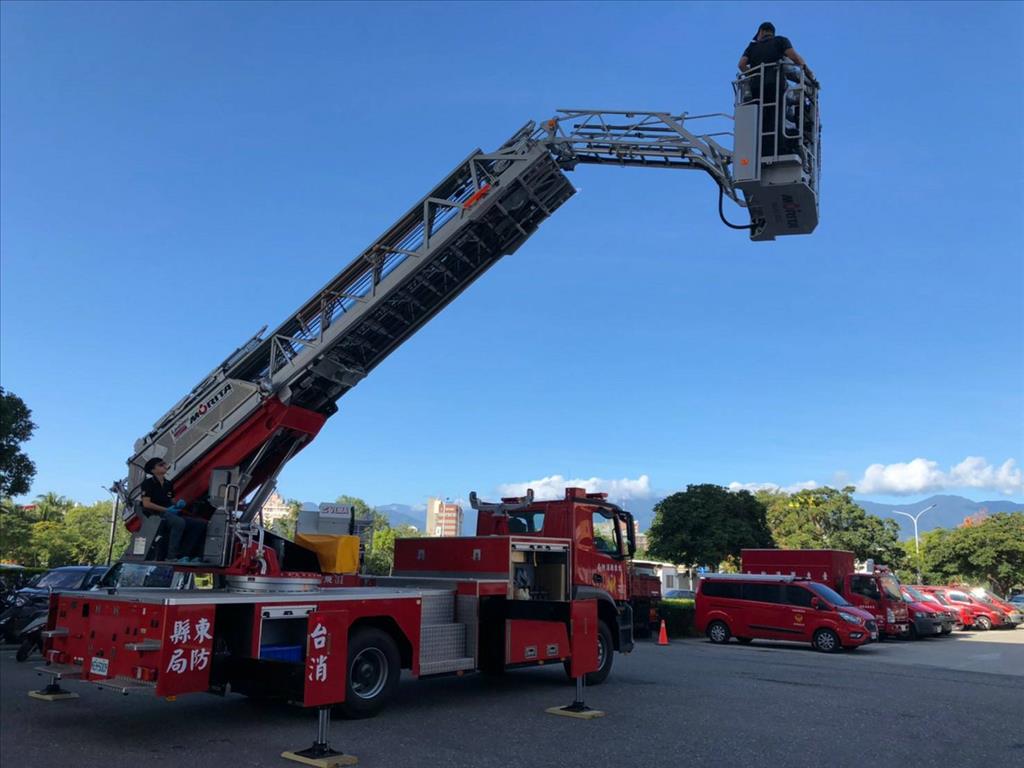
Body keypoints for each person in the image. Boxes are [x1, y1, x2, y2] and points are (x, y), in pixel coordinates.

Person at [737, 22, 815, 155]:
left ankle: (760, 148)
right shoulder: (780, 41)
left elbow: (741, 65)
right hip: (774, 85)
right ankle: (779, 148)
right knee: (777, 115)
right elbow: (794, 57)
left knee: (761, 117)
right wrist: (808, 73)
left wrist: (754, 74)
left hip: (756, 87)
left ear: (761, 32)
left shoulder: (752, 46)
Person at [140, 458, 207, 562]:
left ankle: (187, 554)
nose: (164, 466)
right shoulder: (147, 483)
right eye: (160, 465)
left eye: (164, 464)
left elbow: (171, 500)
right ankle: (171, 556)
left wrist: (178, 504)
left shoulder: (168, 483)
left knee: (200, 524)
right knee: (178, 523)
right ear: (153, 470)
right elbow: (146, 503)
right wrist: (166, 510)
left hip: (168, 512)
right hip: (156, 514)